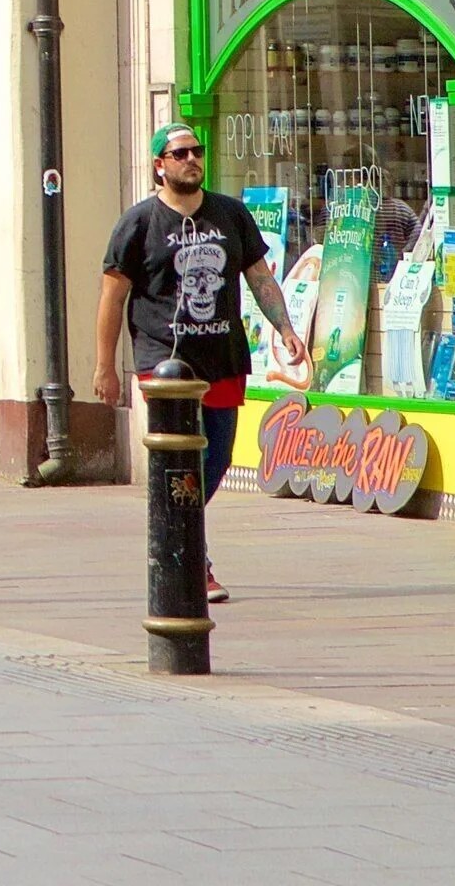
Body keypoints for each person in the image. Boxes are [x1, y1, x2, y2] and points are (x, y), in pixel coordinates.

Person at [96, 122, 305, 604]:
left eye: (197, 151)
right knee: (179, 457)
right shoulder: (138, 223)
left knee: (218, 455)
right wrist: (104, 366)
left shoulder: (230, 214)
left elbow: (259, 277)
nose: (192, 159)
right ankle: (191, 555)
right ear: (159, 165)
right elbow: (112, 298)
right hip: (164, 362)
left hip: (222, 356)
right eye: (180, 153)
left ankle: (175, 525)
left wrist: (285, 328)